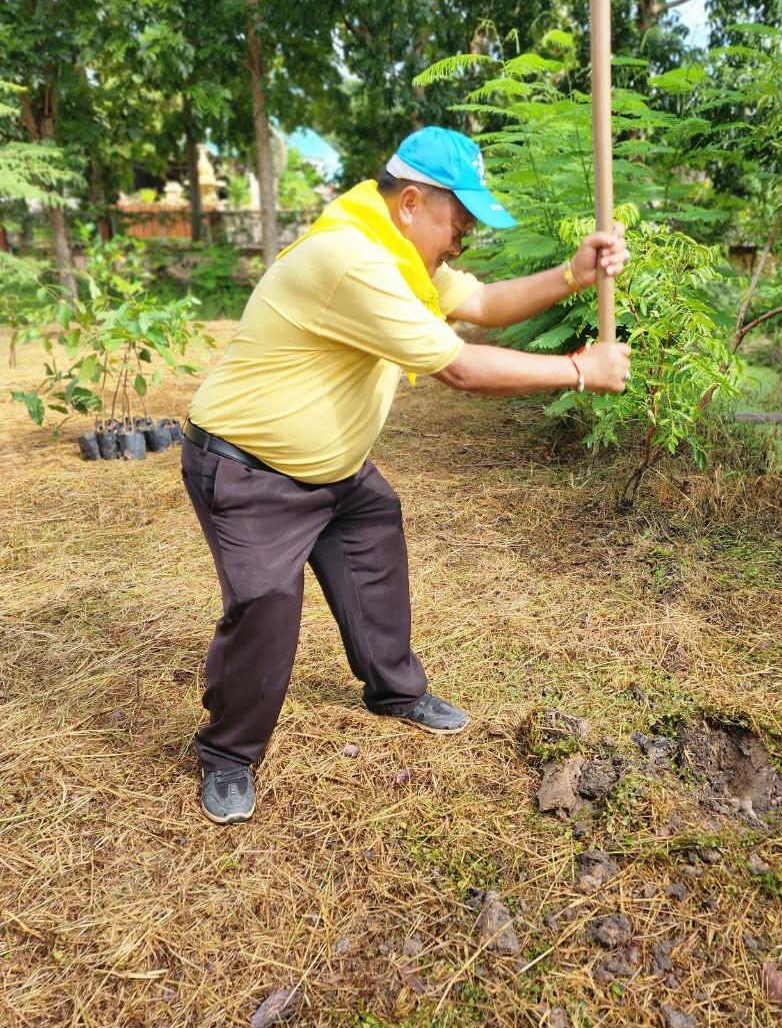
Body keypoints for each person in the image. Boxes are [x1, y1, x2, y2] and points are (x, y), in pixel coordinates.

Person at [182, 126, 631, 823]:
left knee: (373, 535)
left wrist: (572, 274)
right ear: (413, 202)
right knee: (268, 605)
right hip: (250, 471)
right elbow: (460, 367)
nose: (463, 240)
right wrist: (579, 370)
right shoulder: (351, 260)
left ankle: (392, 689)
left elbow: (480, 304)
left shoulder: (397, 252)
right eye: (460, 222)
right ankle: (228, 753)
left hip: (333, 471)